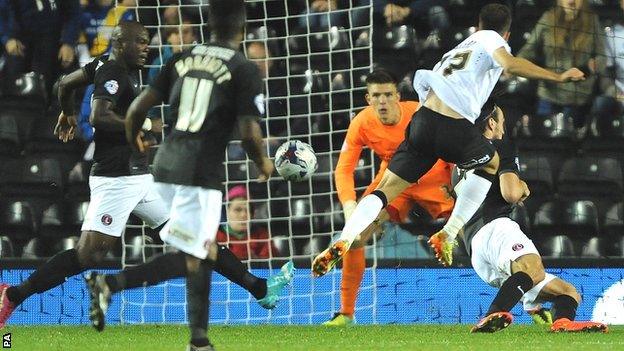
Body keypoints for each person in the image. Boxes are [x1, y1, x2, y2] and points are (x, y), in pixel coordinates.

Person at [312, 3, 585, 277]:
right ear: (507, 34)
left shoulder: (458, 48)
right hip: (451, 124)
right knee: (492, 163)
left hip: (421, 122)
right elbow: (510, 66)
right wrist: (558, 77)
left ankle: (345, 238)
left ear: (476, 24)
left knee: (385, 189)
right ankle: (449, 233)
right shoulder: (491, 38)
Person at [123, 1, 275, 349]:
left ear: (209, 25)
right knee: (197, 253)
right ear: (242, 28)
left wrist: (135, 140)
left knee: (197, 253)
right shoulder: (243, 67)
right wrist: (263, 164)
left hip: (162, 166)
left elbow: (135, 110)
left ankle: (199, 340)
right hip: (199, 172)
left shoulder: (180, 58)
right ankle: (112, 284)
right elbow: (250, 133)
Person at [457, 103, 608, 333]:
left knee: (567, 292)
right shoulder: (499, 146)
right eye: (503, 124)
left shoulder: (459, 160)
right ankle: (491, 316)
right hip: (496, 227)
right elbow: (511, 194)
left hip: (475, 248)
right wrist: (522, 186)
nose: (503, 130)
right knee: (533, 268)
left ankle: (562, 323)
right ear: (491, 123)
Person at [324, 69, 453, 326]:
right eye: (376, 96)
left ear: (398, 95)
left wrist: (455, 182)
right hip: (395, 181)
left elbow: (451, 146)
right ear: (367, 99)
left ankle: (526, 295)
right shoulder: (361, 123)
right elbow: (344, 168)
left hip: (435, 177)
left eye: (387, 95)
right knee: (355, 235)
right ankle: (346, 314)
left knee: (472, 230)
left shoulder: (420, 112)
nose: (382, 101)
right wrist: (350, 206)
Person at [518, 0, 606, 131]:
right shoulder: (548, 19)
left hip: (579, 96)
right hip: (549, 93)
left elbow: (602, 57)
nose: (571, 1)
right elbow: (526, 51)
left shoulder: (592, 21)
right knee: (546, 141)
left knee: (573, 143)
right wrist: (520, 65)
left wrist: (593, 66)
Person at [0, 0, 81, 95]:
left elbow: (74, 13)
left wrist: (68, 42)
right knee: (13, 88)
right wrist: (7, 38)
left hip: (53, 43)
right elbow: (2, 12)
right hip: (18, 42)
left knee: (60, 84)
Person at [216, 185, 279, 260]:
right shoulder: (215, 236)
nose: (244, 215)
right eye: (238, 210)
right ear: (226, 212)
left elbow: (271, 266)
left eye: (248, 210)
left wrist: (257, 261)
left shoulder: (262, 236)